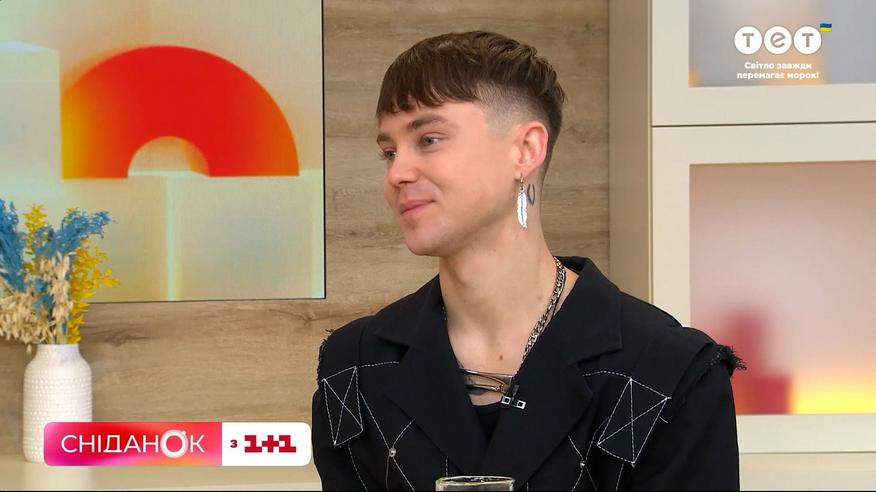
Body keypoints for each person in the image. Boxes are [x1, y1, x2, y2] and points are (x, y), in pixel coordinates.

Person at [312, 31, 742, 490]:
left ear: (526, 150)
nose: (398, 173)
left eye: (429, 139)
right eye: (389, 152)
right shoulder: (354, 368)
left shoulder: (667, 372)